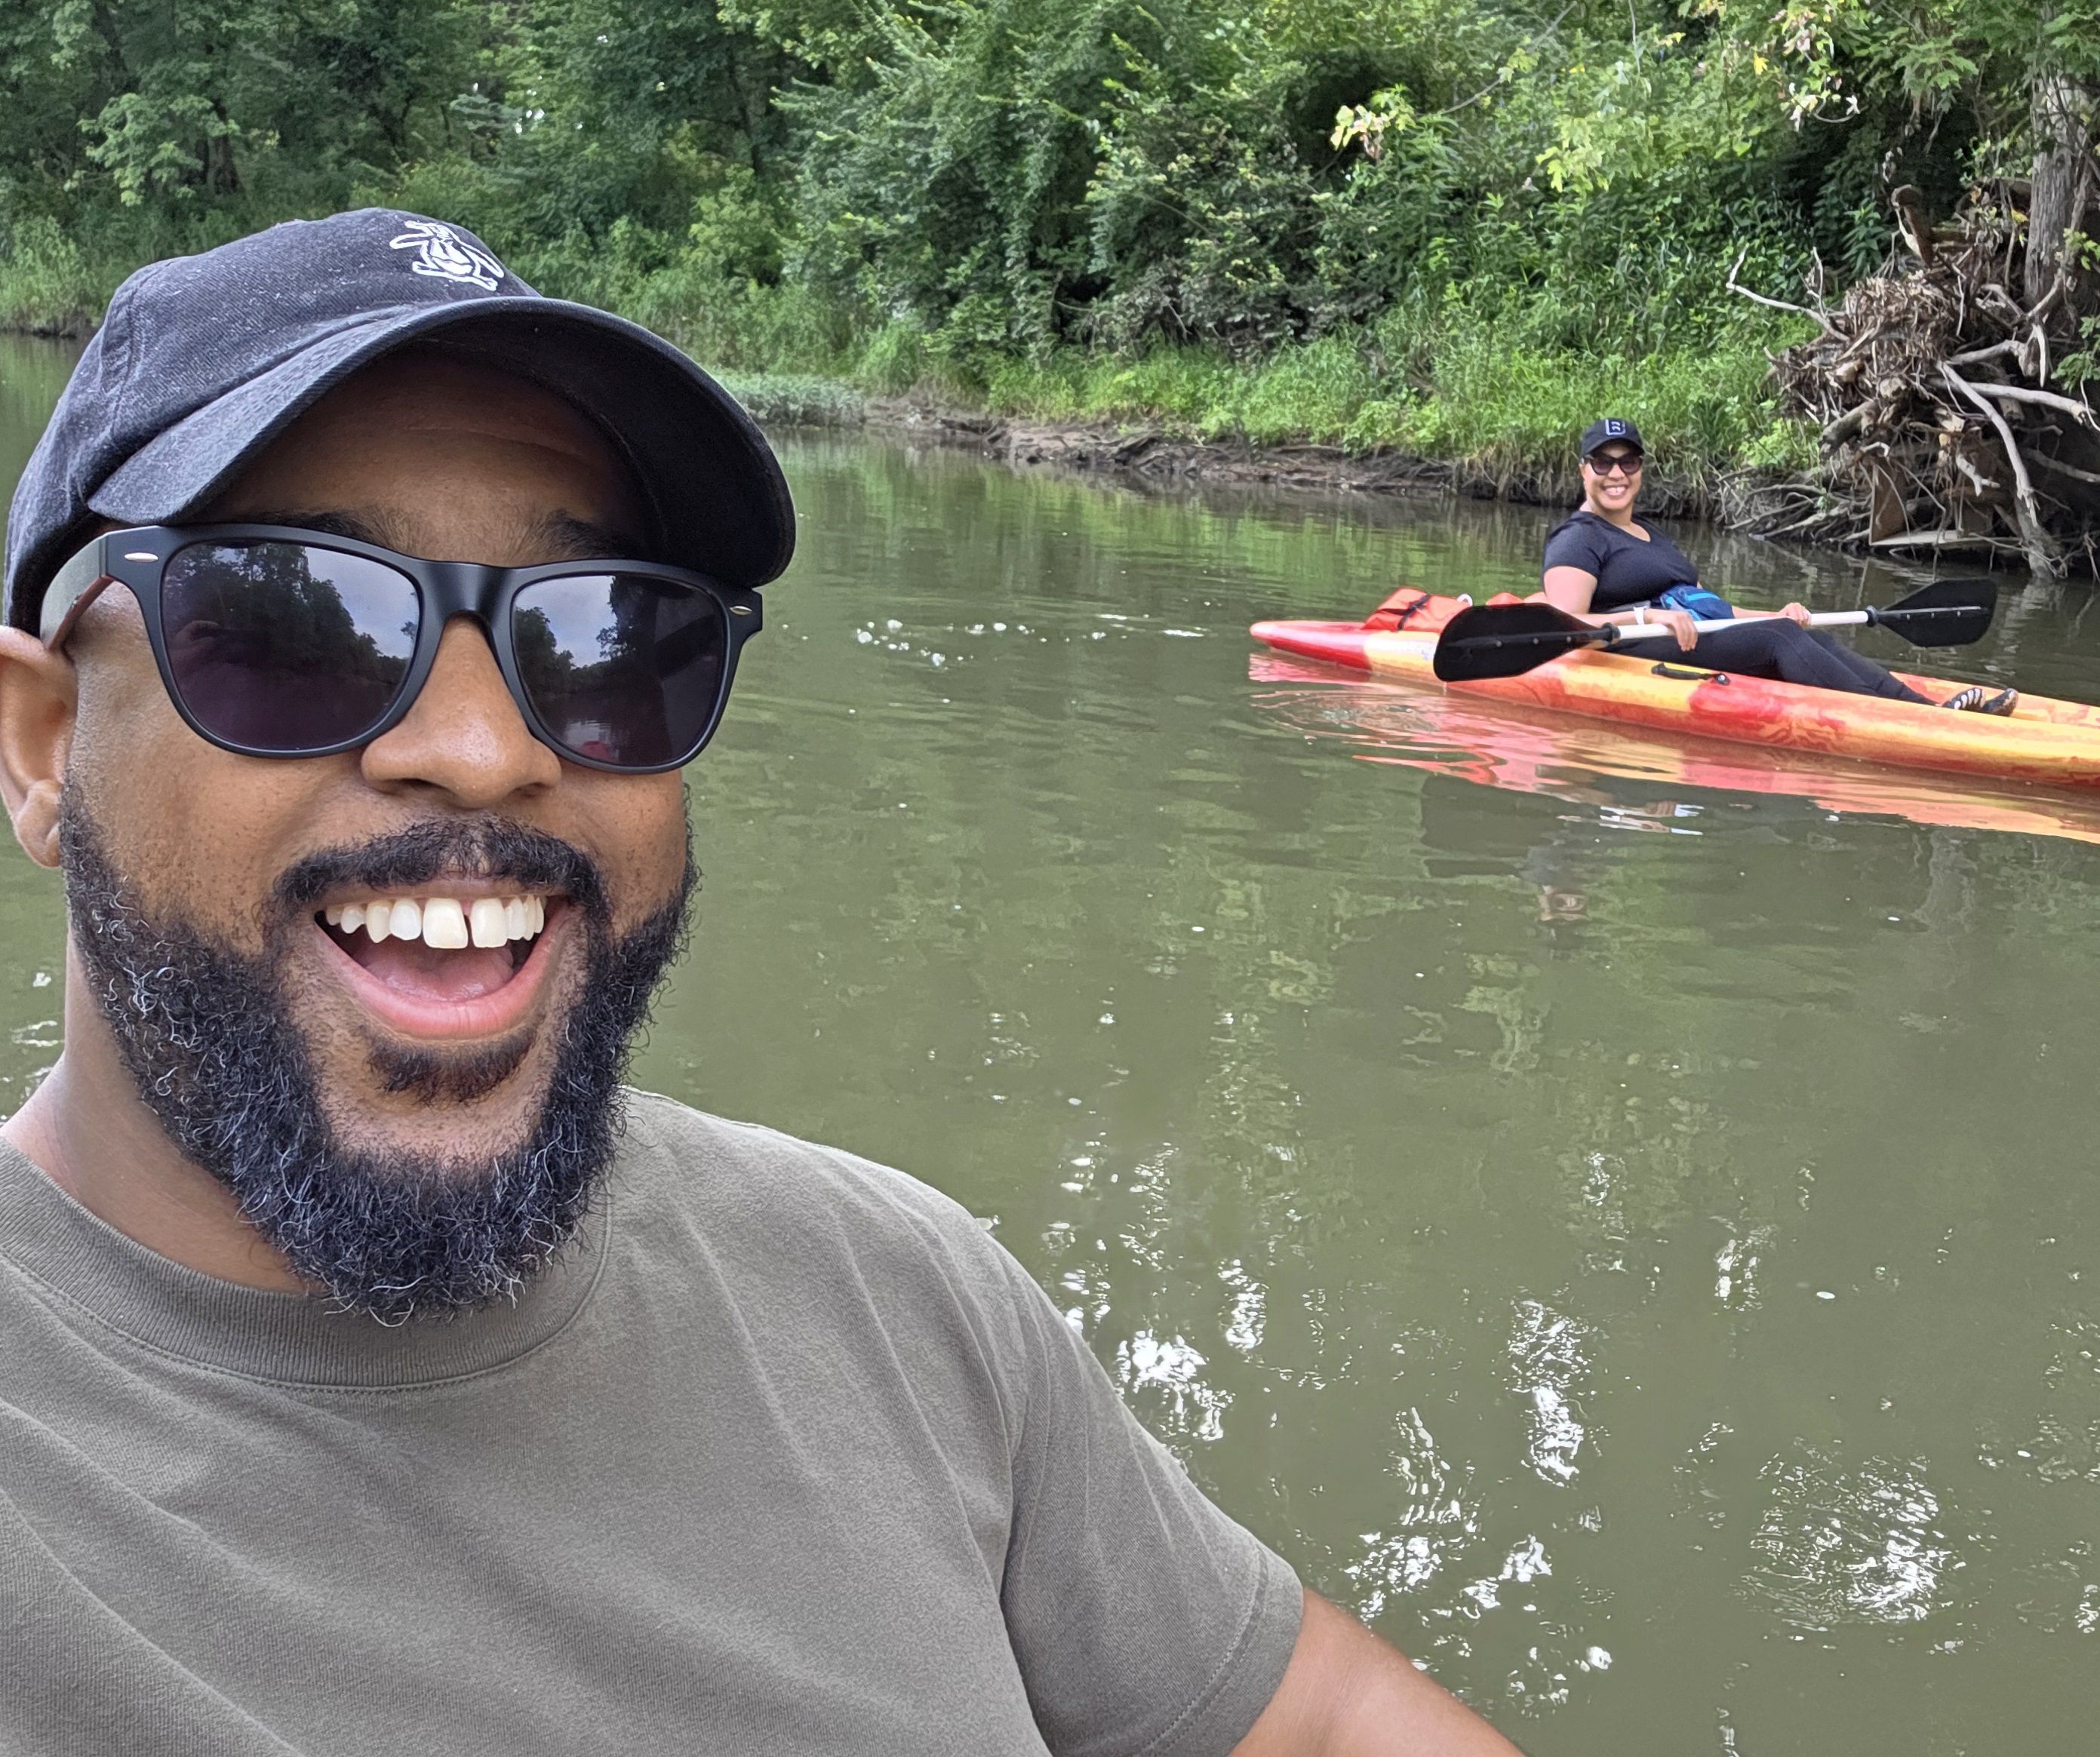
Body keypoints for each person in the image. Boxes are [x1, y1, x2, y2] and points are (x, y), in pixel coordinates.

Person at [0, 211, 1517, 1755]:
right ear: (43, 746)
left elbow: (1318, 1718)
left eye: (604, 642)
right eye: (285, 625)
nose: (481, 747)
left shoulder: (896, 1294)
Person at [1539, 418, 2016, 714]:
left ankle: (1926, 710)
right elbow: (1566, 623)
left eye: (1628, 462)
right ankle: (1903, 722)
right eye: (1602, 463)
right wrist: (1648, 617)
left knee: (1806, 633)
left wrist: (1776, 613)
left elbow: (1714, 611)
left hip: (1688, 637)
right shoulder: (1578, 537)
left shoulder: (1652, 535)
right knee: (1780, 639)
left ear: (1641, 469)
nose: (1616, 474)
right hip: (1632, 652)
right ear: (1584, 470)